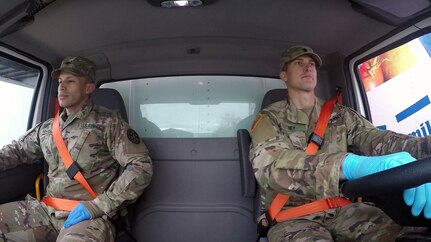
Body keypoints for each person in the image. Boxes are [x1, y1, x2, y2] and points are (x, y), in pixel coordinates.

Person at [249, 45, 431, 241]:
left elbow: (378, 141)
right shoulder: (269, 119)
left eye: (311, 64)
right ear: (284, 75)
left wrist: (424, 147)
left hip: (344, 208)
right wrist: (350, 166)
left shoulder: (340, 115)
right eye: (298, 63)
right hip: (292, 217)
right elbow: (271, 167)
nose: (308, 68)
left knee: (414, 234)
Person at [0, 56, 153, 241]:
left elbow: (141, 166)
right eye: (60, 82)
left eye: (70, 81)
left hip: (88, 216)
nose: (61, 87)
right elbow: (17, 151)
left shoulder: (109, 123)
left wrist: (99, 205)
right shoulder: (48, 128)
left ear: (88, 88)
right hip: (46, 210)